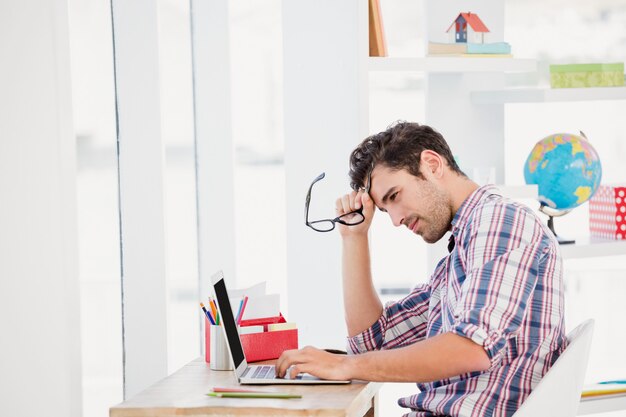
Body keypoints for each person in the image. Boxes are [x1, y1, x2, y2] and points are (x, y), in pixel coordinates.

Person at [276, 121, 566, 417]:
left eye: (394, 196)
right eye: (386, 209)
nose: (395, 220)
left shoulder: (500, 221)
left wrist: (343, 365)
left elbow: (471, 348)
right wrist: (355, 237)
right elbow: (373, 343)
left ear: (431, 164)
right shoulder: (460, 253)